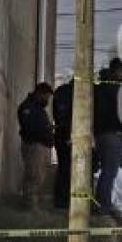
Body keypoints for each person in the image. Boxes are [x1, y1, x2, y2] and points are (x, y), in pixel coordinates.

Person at [94, 58, 122, 213]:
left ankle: (101, 204)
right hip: (113, 134)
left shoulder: (100, 88)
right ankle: (103, 207)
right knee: (109, 173)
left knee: (105, 172)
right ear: (117, 71)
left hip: (100, 134)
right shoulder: (117, 89)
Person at [17, 82, 54, 210]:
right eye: (46, 97)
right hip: (34, 146)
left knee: (37, 177)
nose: (47, 100)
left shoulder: (37, 108)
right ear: (39, 94)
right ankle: (29, 207)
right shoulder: (28, 107)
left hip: (40, 146)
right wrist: (45, 132)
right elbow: (30, 128)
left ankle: (32, 205)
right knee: (33, 177)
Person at [52, 79, 73, 209]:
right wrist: (67, 135)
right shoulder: (66, 92)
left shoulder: (62, 91)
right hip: (65, 136)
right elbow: (62, 116)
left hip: (64, 135)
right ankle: (62, 202)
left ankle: (63, 201)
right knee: (65, 169)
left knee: (65, 169)